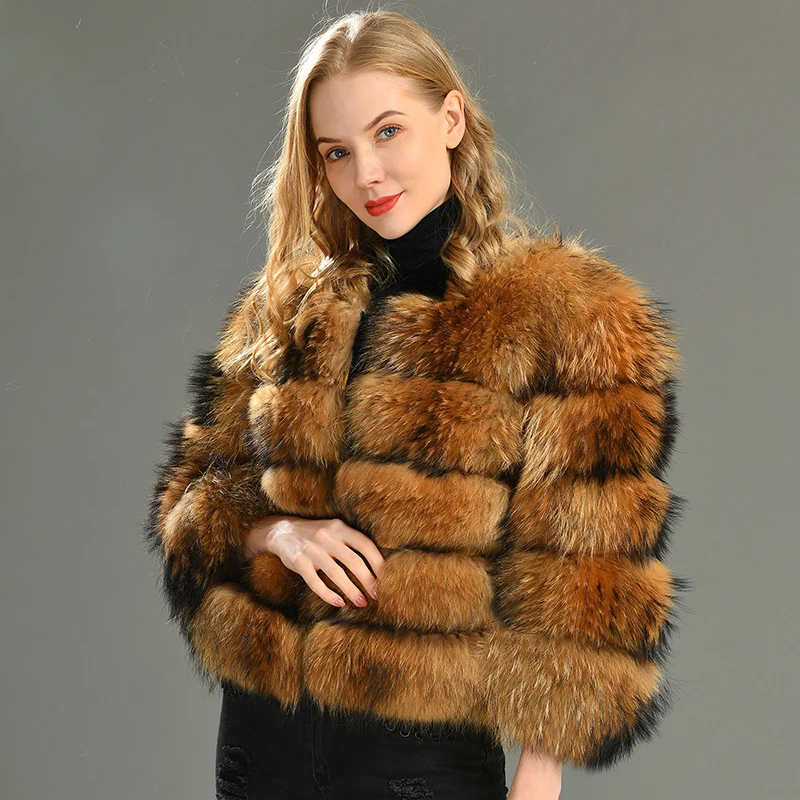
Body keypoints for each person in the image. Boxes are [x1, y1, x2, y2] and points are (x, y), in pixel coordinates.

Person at [144, 9, 689, 800]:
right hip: (262, 752)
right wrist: (278, 533)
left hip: (420, 764)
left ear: (451, 119)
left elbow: (589, 577)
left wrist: (538, 780)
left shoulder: (569, 318)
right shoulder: (287, 309)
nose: (367, 172)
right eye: (337, 151)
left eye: (389, 131)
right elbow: (187, 501)